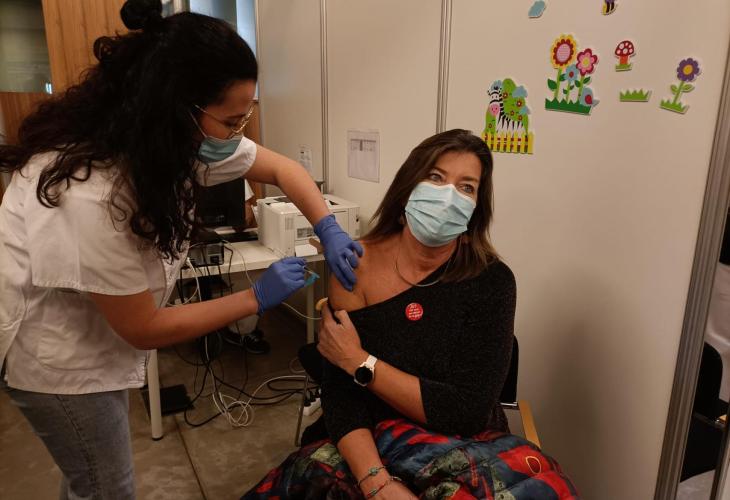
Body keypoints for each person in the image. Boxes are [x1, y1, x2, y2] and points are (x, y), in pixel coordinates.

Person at [0, 1, 362, 498]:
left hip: (93, 335)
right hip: (54, 356)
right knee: (105, 486)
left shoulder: (169, 138)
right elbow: (143, 327)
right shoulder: (92, 192)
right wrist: (255, 298)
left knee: (87, 475)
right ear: (178, 108)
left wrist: (328, 225)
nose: (239, 132)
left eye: (245, 115)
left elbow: (283, 169)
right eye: (231, 120)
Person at [243, 130, 578, 499]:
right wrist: (376, 483)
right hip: (368, 439)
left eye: (466, 187)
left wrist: (360, 361)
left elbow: (465, 411)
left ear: (475, 209)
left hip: (464, 441)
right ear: (407, 189)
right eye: (435, 177)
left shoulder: (491, 281)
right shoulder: (355, 265)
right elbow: (343, 398)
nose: (448, 195)